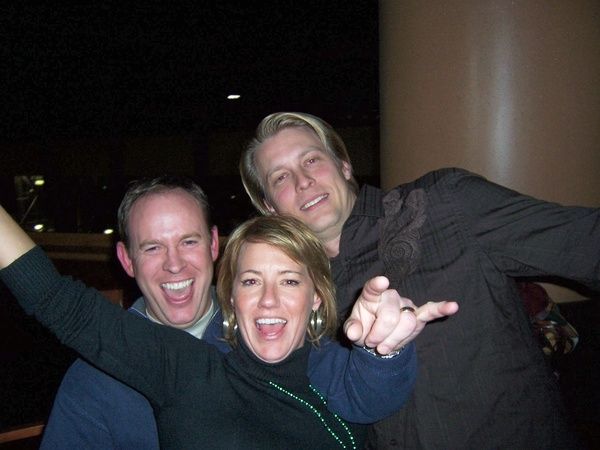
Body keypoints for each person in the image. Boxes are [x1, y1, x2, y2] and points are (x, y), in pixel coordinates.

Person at [240, 111, 600, 449]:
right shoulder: (295, 293)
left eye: (311, 160)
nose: (303, 181)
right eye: (280, 177)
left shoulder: (445, 204)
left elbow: (586, 242)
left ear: (344, 165)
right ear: (270, 207)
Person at [0, 206, 458, 449]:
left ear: (316, 296)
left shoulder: (331, 362)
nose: (269, 299)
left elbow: (375, 394)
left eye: (290, 280)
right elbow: (59, 302)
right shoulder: (185, 369)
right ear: (231, 298)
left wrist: (385, 351)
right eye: (251, 281)